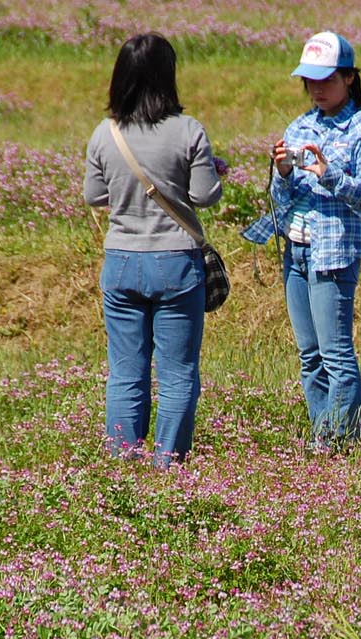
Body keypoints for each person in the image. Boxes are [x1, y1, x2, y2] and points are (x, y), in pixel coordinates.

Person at [242, 31, 361, 449]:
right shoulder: (300, 125)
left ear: (348, 77)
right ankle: (325, 437)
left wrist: (330, 174)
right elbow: (279, 198)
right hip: (296, 249)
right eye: (311, 81)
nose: (317, 89)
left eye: (326, 80)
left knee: (336, 353)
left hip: (334, 252)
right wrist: (285, 173)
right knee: (309, 356)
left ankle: (342, 441)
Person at [85, 32, 223, 466]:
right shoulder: (188, 130)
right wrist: (211, 171)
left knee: (126, 373)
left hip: (122, 261)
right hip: (176, 262)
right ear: (168, 78)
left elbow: (93, 194)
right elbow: (205, 196)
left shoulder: (105, 133)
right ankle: (168, 465)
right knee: (178, 373)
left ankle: (123, 462)